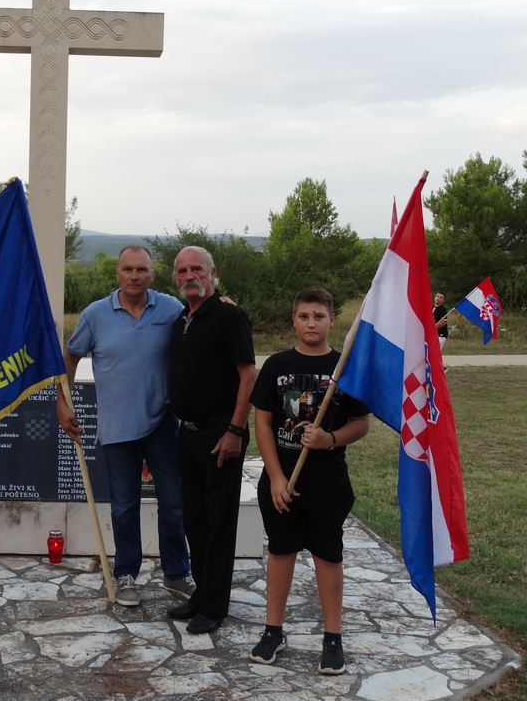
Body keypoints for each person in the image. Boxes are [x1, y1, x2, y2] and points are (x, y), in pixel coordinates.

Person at [56, 246, 195, 607]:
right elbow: (69, 356)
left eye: (142, 270)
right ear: (117, 273)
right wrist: (61, 402)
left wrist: (219, 302)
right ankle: (126, 575)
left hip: (164, 422)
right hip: (117, 427)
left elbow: (201, 319)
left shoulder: (170, 308)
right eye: (128, 269)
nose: (135, 276)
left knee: (174, 503)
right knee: (123, 506)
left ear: (152, 274)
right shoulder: (95, 315)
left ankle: (177, 574)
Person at [248, 287, 370, 674]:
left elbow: (361, 423)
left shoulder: (344, 367)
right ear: (294, 321)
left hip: (327, 481)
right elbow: (263, 421)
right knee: (280, 552)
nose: (311, 323)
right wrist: (276, 477)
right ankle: (273, 631)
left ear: (332, 320)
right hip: (282, 481)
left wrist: (329, 439)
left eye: (318, 316)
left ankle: (332, 639)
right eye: (304, 316)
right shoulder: (277, 366)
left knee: (327, 555)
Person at [165, 246, 256, 634]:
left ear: (212, 273)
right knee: (195, 519)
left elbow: (248, 374)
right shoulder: (181, 320)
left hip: (222, 434)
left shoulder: (228, 315)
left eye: (197, 269)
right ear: (176, 278)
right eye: (183, 271)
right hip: (186, 433)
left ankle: (215, 607)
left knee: (219, 522)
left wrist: (235, 430)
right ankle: (201, 594)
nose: (190, 276)